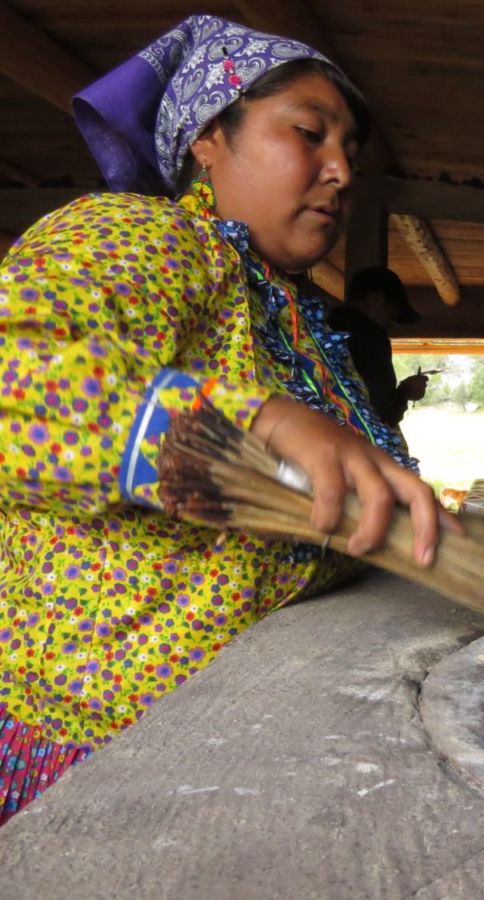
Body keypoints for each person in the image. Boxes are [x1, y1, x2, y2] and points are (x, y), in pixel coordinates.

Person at [0, 15, 451, 823]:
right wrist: (260, 421)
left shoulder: (305, 326)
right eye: (310, 133)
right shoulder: (143, 237)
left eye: (350, 152)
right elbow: (16, 389)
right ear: (209, 138)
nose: (342, 171)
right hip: (123, 758)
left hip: (264, 730)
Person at [326, 266, 428, 452]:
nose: (390, 325)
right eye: (391, 315)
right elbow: (379, 412)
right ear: (376, 300)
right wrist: (405, 392)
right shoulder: (370, 336)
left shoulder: (320, 328)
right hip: (358, 451)